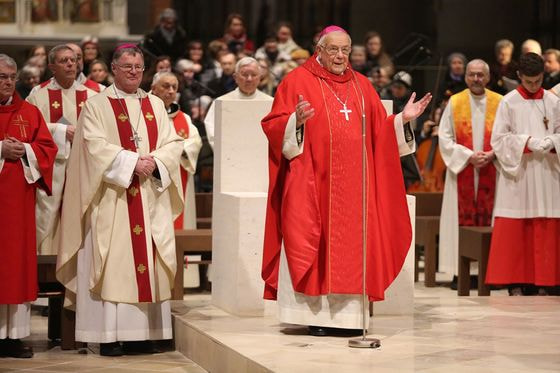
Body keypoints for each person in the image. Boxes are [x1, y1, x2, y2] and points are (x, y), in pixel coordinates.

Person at [260, 26, 431, 336]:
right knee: (311, 242)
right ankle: (314, 318)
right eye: (334, 50)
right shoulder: (296, 81)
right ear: (319, 50)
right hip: (313, 183)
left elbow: (379, 131)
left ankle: (347, 320)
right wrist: (294, 122)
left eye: (345, 50)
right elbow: (274, 126)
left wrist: (403, 120)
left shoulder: (362, 85)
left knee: (354, 248)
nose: (340, 56)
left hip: (355, 191)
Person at [55, 44, 184, 356]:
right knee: (112, 262)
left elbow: (173, 142)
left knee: (148, 264)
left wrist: (155, 162)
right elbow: (90, 146)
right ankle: (110, 336)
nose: (134, 72)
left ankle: (145, 334)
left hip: (148, 198)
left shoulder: (154, 104)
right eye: (127, 66)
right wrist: (130, 163)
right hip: (112, 200)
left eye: (138, 67)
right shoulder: (96, 106)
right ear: (113, 68)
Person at [486, 52, 560, 296]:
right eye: (528, 81)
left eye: (538, 81)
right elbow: (498, 139)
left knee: (546, 222)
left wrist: (552, 141)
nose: (533, 86)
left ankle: (547, 281)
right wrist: (526, 142)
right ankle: (515, 280)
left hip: (547, 172)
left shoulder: (553, 101)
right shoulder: (509, 102)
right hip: (520, 172)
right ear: (519, 76)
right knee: (517, 226)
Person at [0, 54, 57, 358]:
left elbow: (48, 148)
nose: (7, 82)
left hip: (19, 206)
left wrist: (27, 150)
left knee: (16, 267)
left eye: (11, 76)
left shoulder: (30, 113)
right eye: (1, 77)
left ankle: (13, 337)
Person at [27, 45, 98, 256]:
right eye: (63, 61)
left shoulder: (93, 95)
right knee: (48, 218)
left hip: (83, 167)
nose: (70, 64)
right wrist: (60, 130)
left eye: (73, 60)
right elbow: (30, 129)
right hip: (51, 170)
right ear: (51, 67)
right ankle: (45, 268)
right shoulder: (38, 95)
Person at [438, 59, 502, 283]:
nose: (476, 79)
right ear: (465, 77)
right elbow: (444, 138)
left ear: (488, 77)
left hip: (491, 168)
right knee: (459, 218)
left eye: (480, 75)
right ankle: (460, 271)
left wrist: (493, 154)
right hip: (463, 170)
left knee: (490, 216)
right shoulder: (455, 102)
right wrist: (468, 156)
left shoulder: (500, 102)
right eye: (472, 75)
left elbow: (507, 137)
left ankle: (488, 272)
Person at [151, 71, 202, 229]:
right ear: (153, 88)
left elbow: (195, 142)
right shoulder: (143, 114)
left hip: (179, 174)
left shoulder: (184, 118)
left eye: (174, 87)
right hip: (154, 175)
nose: (171, 91)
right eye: (166, 86)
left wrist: (175, 150)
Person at [205, 56, 272, 150]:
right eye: (244, 74)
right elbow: (212, 130)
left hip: (262, 155)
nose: (249, 79)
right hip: (229, 155)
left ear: (260, 78)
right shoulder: (221, 103)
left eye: (253, 75)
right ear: (235, 77)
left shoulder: (270, 103)